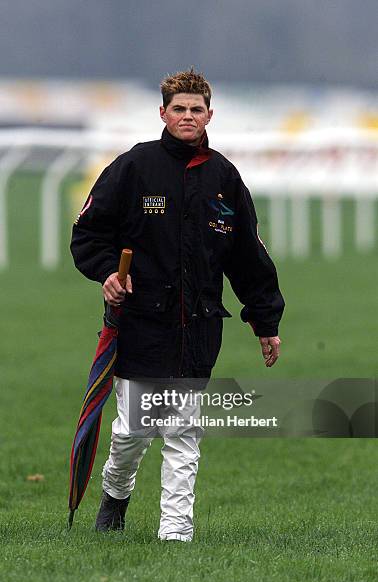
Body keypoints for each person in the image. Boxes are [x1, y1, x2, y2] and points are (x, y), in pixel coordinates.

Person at [70, 68, 285, 542]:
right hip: (141, 324)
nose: (188, 117)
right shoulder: (133, 167)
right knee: (131, 433)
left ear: (209, 114)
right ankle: (115, 496)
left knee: (183, 435)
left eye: (197, 109)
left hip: (201, 328)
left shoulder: (225, 178)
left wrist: (264, 320)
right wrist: (107, 272)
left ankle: (175, 534)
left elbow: (248, 255)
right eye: (179, 109)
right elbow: (88, 233)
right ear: (163, 113)